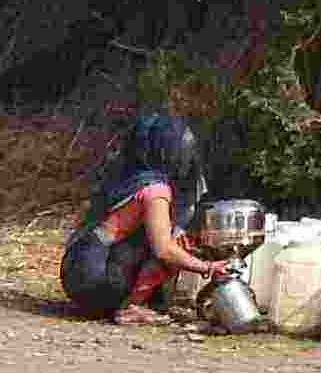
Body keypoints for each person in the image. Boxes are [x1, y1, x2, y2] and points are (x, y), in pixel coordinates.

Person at [61, 111, 240, 321]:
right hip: (95, 280)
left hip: (75, 271)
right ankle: (131, 306)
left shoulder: (128, 177)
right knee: (172, 249)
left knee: (167, 241)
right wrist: (208, 267)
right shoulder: (155, 190)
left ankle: (128, 303)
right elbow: (164, 250)